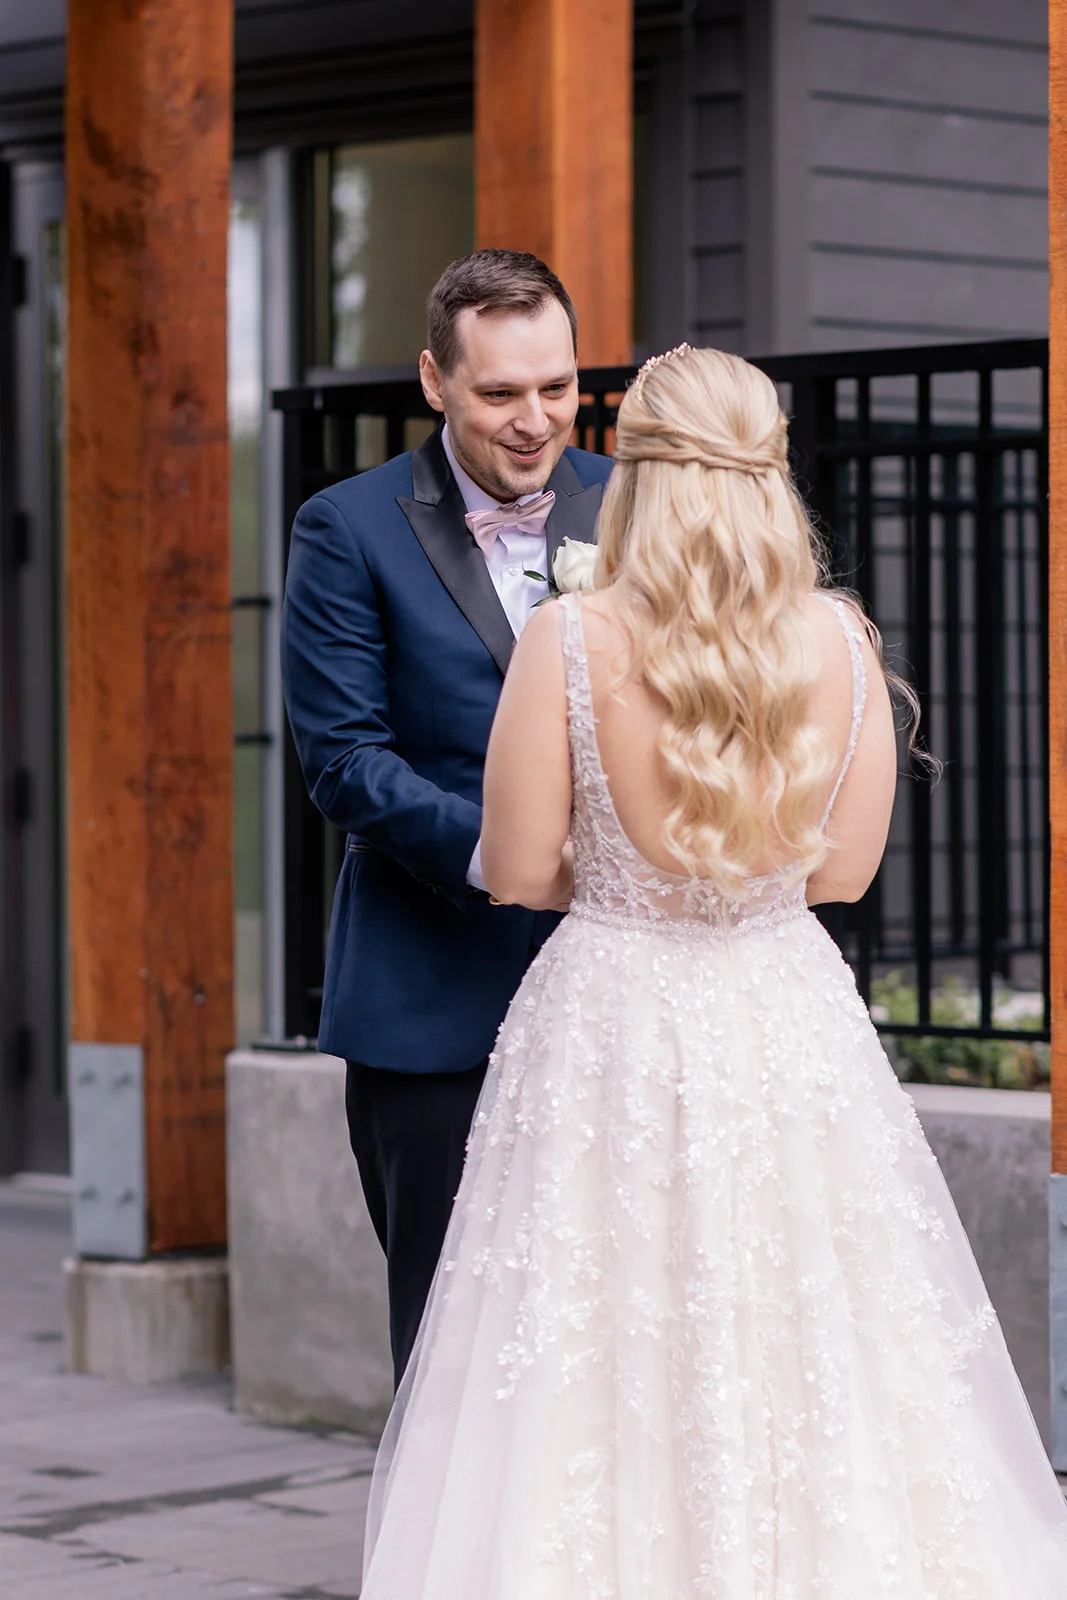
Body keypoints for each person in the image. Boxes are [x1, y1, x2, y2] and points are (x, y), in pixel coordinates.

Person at [360, 344, 1067, 1596]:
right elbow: (839, 875)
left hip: (611, 1015)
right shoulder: (841, 641)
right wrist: (729, 885)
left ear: (628, 472)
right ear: (772, 469)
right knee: (814, 1331)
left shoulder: (569, 639)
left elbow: (518, 869)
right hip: (783, 1011)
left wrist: (632, 882)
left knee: (588, 1351)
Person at [281, 250, 612, 1386]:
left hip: (619, 991)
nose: (537, 422)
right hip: (431, 1001)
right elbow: (341, 761)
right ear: (434, 381)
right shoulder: (346, 527)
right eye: (500, 394)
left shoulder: (631, 506)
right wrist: (510, 861)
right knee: (452, 1352)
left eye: (558, 388)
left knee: (614, 1333)